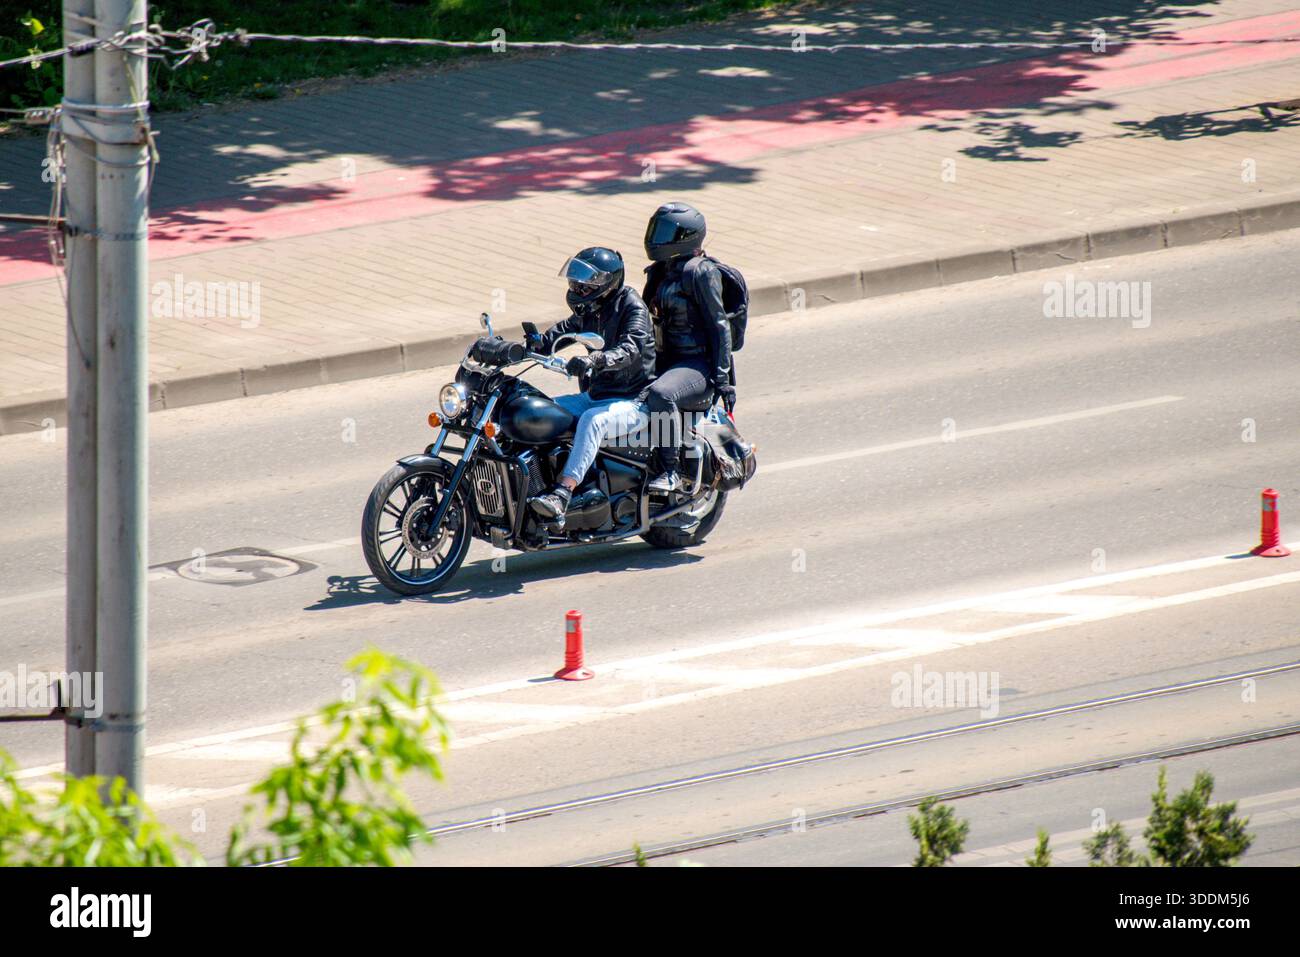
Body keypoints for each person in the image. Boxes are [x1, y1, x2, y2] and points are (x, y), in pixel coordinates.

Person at [527, 247, 655, 520]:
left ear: (607, 285)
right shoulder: (592, 308)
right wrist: (536, 343)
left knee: (592, 421)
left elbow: (630, 349)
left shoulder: (632, 308)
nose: (576, 290)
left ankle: (563, 492)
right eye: (574, 284)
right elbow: (564, 330)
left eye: (583, 286)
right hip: (597, 395)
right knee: (540, 411)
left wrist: (595, 360)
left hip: (633, 400)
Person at [641, 202, 734, 493]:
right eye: (655, 229)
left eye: (665, 231)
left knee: (661, 394)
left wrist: (723, 379)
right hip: (666, 360)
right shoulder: (659, 272)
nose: (657, 238)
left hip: (696, 364)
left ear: (686, 237)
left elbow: (720, 326)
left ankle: (670, 470)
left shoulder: (701, 273)